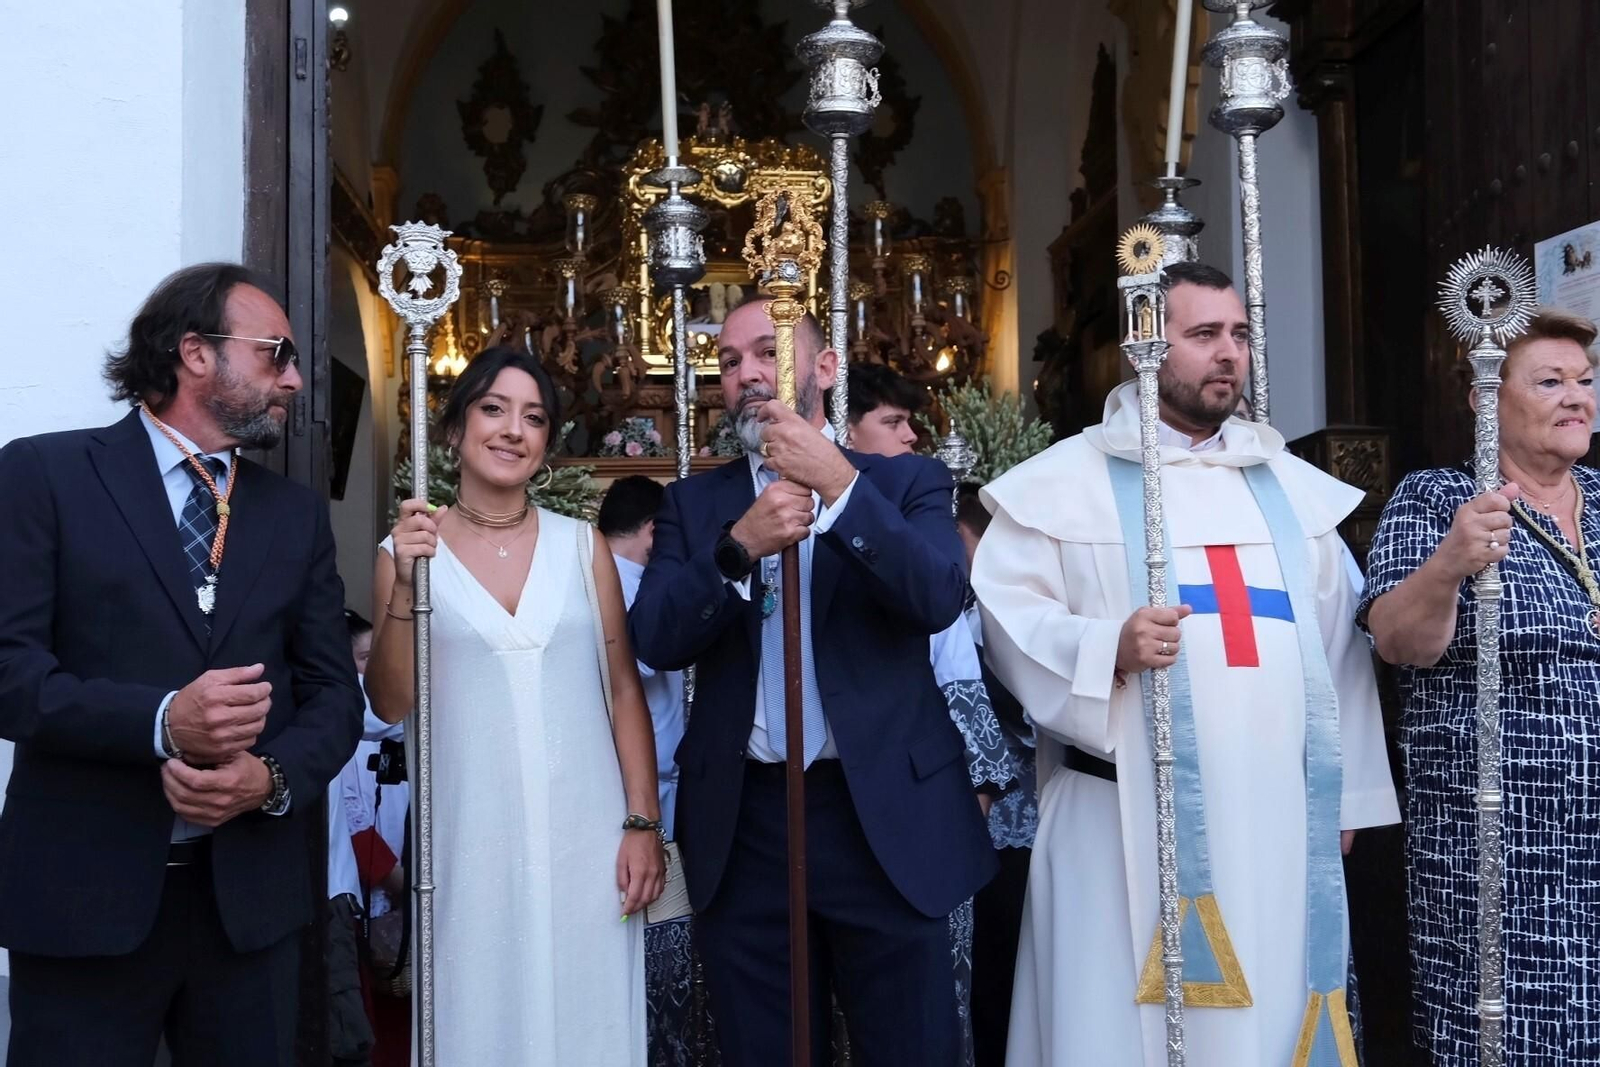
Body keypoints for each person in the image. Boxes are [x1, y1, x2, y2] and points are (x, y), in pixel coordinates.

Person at [971, 261, 1399, 1067]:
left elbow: (1342, 643)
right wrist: (1107, 649)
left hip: (1276, 825)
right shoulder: (1067, 483)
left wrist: (1345, 792)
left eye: (1238, 334)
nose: (1228, 353)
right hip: (1118, 821)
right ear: (1148, 347)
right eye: (1204, 335)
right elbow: (1007, 617)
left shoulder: (1292, 494)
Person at [0, 262, 364, 1066]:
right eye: (277, 353)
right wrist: (163, 721)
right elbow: (10, 675)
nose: (298, 379)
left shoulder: (294, 515)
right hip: (83, 899)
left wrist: (267, 779)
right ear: (195, 353)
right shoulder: (45, 476)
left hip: (249, 911)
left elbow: (335, 694)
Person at [629, 300, 997, 1065]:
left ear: (825, 369)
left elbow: (936, 596)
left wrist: (836, 483)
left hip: (883, 818)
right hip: (749, 820)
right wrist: (738, 548)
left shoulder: (907, 483)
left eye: (768, 352)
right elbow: (656, 637)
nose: (747, 374)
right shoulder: (695, 504)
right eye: (730, 362)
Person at [363, 345, 664, 1064]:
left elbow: (623, 687)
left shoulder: (581, 546)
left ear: (546, 444)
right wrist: (407, 586)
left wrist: (642, 820)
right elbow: (390, 697)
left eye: (533, 417)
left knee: (587, 1014)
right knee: (478, 1013)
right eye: (493, 409)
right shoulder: (406, 550)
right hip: (467, 837)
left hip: (587, 835)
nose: (512, 429)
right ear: (457, 427)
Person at [1361, 307, 1600, 1065]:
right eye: (1552, 380)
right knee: (1500, 1037)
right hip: (1497, 847)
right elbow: (1397, 641)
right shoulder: (1437, 500)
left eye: (1586, 381)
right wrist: (1450, 563)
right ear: (1486, 395)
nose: (1578, 397)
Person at [845, 362, 1018, 1067]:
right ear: (841, 429)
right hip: (835, 800)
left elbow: (957, 669)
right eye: (892, 422)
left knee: (925, 1012)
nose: (913, 436)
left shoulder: (921, 530)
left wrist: (974, 789)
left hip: (921, 803)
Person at [597, 474, 696, 1063]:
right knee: (656, 954)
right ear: (658, 532)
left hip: (608, 791)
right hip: (647, 798)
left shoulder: (573, 574)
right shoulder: (640, 590)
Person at [955, 483, 1038, 1067]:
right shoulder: (950, 605)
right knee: (979, 977)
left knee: (1017, 970)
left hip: (1024, 819)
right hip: (961, 821)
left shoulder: (1019, 602)